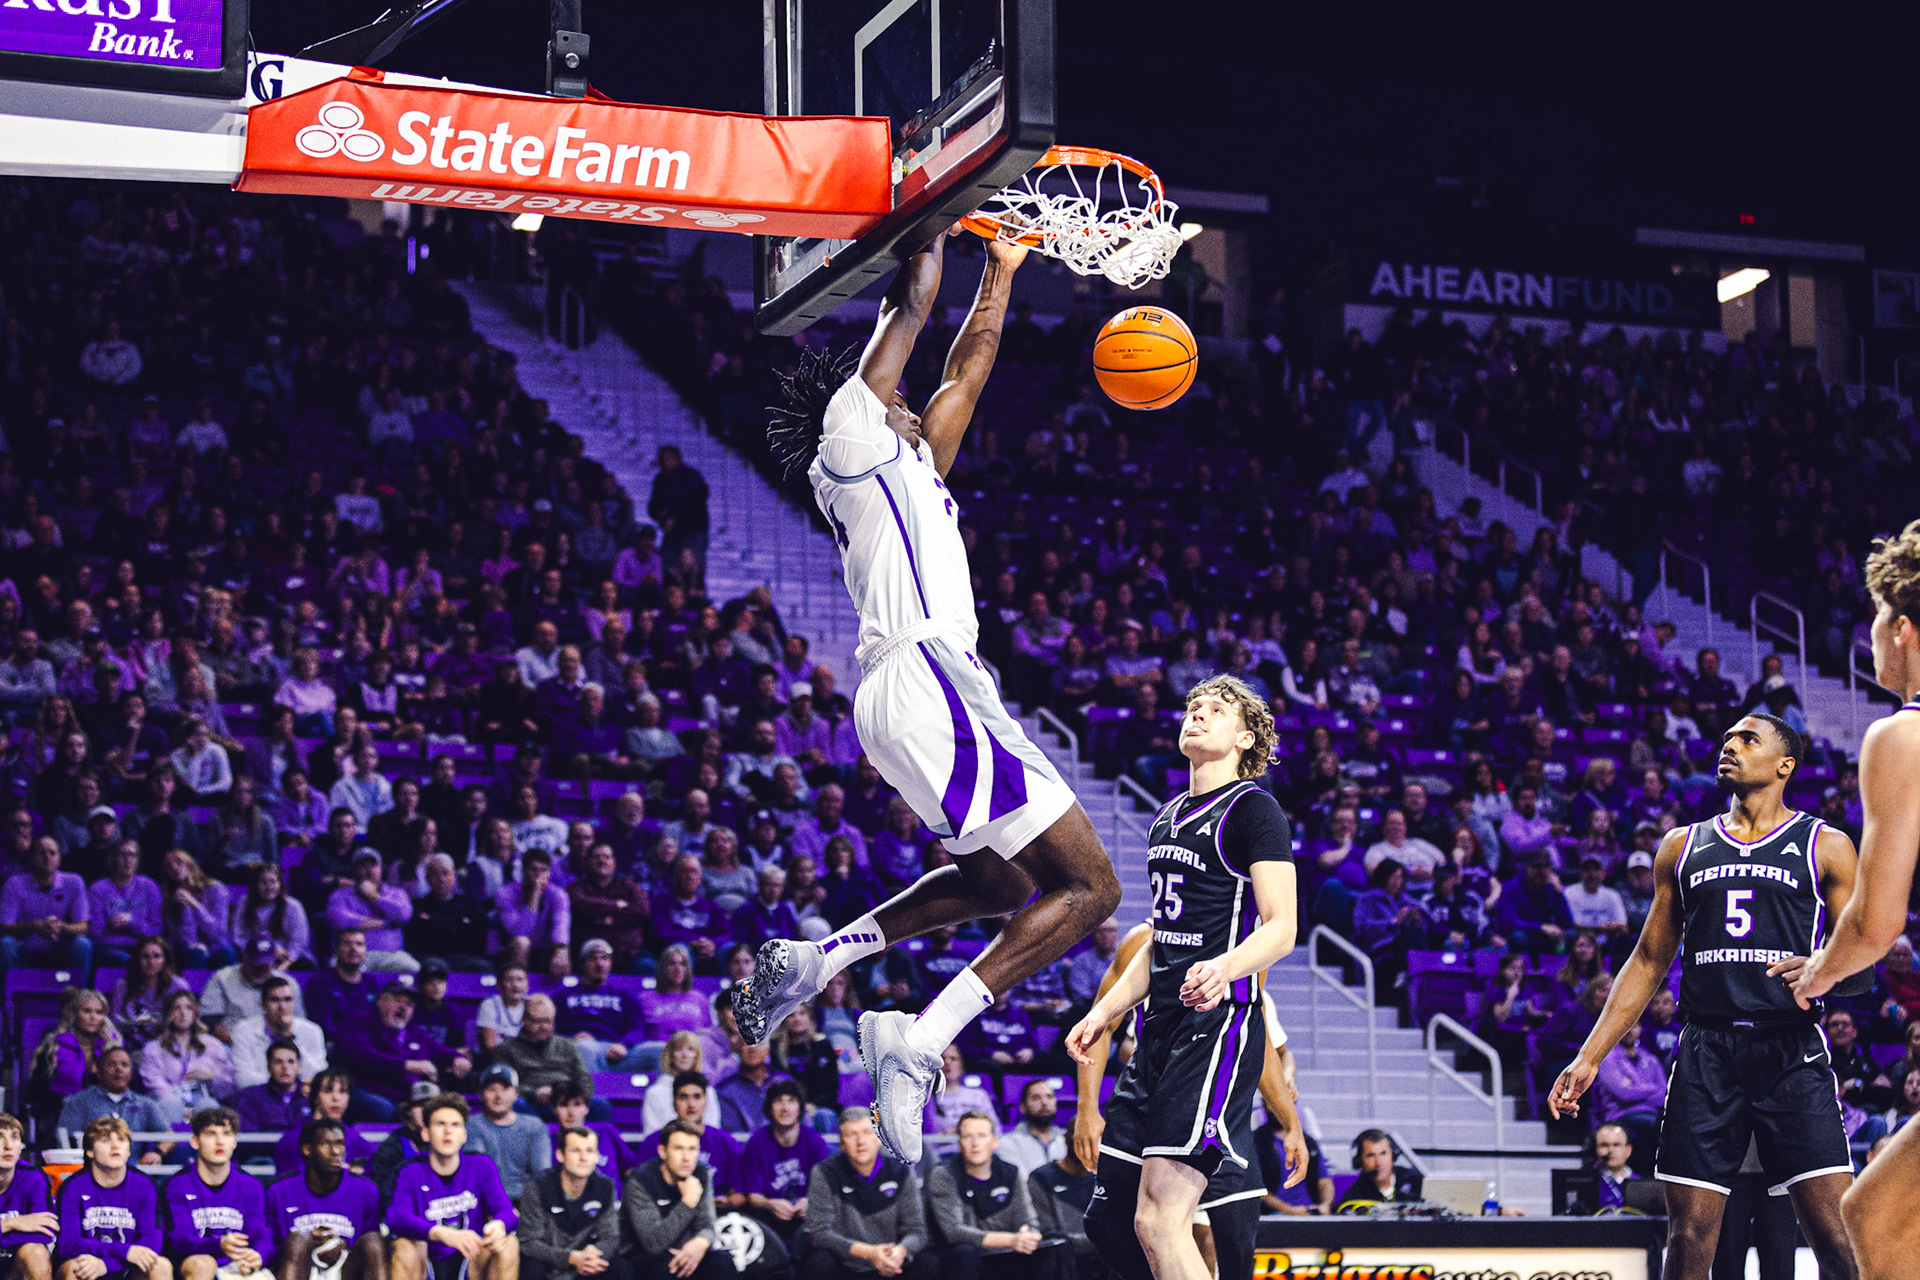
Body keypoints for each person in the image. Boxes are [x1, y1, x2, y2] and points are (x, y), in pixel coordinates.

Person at [743, 230, 1121, 1165]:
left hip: (904, 697)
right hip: (927, 677)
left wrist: (1003, 267)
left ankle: (821, 960)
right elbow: (910, 311)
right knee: (1093, 886)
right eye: (900, 396)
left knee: (999, 881)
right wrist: (936, 209)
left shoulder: (912, 467)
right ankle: (918, 1038)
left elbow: (969, 365)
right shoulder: (853, 441)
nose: (917, 403)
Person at [1551, 713, 1861, 1280]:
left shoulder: (1827, 845)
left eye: (1748, 740)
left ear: (1784, 764)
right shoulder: (1682, 844)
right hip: (1706, 1050)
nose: (1731, 747)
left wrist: (1825, 968)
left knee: (1836, 1236)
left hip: (1790, 1050)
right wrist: (1589, 1055)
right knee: (1689, 1237)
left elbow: (1864, 961)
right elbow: (1647, 960)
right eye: (1726, 740)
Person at [1064, 677, 1297, 1280]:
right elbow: (1157, 946)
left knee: (1162, 1219)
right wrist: (1103, 1013)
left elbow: (1282, 927)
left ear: (1246, 738)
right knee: (1112, 1217)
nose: (1198, 714)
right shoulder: (1168, 817)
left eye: (1216, 710)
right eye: (1193, 706)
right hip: (1158, 1033)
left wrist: (1224, 967)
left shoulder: (1253, 809)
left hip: (1214, 1030)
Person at [1790, 520, 1920, 1280]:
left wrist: (1814, 975)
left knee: (1872, 1216)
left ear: (1902, 626)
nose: (1868, 635)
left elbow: (1875, 925)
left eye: (1874, 617)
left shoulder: (1901, 738)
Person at [389, 1094, 520, 1280]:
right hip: (427, 1261)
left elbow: (507, 1213)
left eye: (455, 1125)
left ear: (464, 1135)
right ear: (426, 1133)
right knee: (404, 1246)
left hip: (471, 1259)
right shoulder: (410, 1170)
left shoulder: (481, 1165)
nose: (448, 1132)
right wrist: (442, 1234)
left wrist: (499, 1225)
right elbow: (397, 1218)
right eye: (440, 1124)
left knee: (509, 1243)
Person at [801, 1110, 932, 1280]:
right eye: (851, 1135)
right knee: (818, 1261)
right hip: (845, 1263)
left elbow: (916, 1230)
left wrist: (899, 1253)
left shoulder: (901, 1171)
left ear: (879, 1138)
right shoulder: (824, 1172)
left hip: (892, 1262)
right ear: (841, 1142)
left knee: (929, 1262)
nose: (860, 1141)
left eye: (866, 1133)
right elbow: (818, 1232)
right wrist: (870, 1253)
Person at [264, 1118, 385, 1280]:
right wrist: (308, 1245)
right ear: (307, 1149)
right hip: (296, 1267)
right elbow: (270, 1247)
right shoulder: (279, 1191)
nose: (336, 1151)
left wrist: (343, 1245)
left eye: (340, 1144)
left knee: (374, 1241)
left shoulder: (365, 1189)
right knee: (298, 1240)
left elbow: (368, 1246)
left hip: (346, 1268)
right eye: (326, 1144)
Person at [926, 1111, 1041, 1280]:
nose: (975, 1144)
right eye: (968, 1137)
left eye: (982, 1136)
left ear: (994, 1142)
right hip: (959, 1258)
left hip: (1006, 1254)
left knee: (1051, 1249)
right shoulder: (943, 1174)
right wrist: (1011, 1240)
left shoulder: (1011, 1173)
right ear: (959, 1142)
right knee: (965, 1253)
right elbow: (954, 1231)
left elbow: (1029, 1221)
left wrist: (1029, 1235)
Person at [336, 981, 469, 1123]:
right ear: (381, 1001)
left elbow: (438, 1050)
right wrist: (406, 1065)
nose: (403, 1008)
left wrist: (457, 1057)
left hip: (404, 1095)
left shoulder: (413, 1032)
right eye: (397, 1001)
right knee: (383, 1109)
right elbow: (361, 1056)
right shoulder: (360, 1022)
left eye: (409, 1004)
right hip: (366, 1089)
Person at [53, 1117, 167, 1280]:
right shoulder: (73, 1187)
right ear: (90, 1151)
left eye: (121, 1140)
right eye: (106, 1140)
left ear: (128, 1150)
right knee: (74, 1267)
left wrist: (107, 1265)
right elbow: (68, 1244)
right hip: (88, 1264)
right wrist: (123, 1251)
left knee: (160, 1265)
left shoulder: (144, 1185)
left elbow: (152, 1242)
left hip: (128, 1267)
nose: (115, 1146)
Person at [162, 1106, 268, 1280]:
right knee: (202, 1264)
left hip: (238, 1264)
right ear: (195, 1141)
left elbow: (261, 1234)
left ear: (234, 1142)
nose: (220, 1142)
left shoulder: (251, 1185)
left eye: (227, 1134)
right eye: (211, 1134)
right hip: (192, 1264)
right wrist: (218, 1245)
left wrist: (258, 1255)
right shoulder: (177, 1185)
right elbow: (178, 1242)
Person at [516, 1126, 626, 1280]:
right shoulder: (537, 1187)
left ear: (596, 1156)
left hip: (585, 1264)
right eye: (576, 1151)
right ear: (560, 1155)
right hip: (547, 1263)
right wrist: (570, 1258)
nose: (583, 1158)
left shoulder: (605, 1187)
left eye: (590, 1151)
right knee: (531, 1267)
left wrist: (592, 1255)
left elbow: (610, 1236)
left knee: (620, 1268)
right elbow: (528, 1242)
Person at [626, 1122, 723, 1280]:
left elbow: (707, 1226)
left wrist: (700, 1243)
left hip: (687, 1252)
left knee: (722, 1263)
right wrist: (687, 1203)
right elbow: (653, 1244)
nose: (686, 1157)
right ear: (663, 1152)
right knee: (663, 1267)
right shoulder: (641, 1180)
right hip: (644, 1257)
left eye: (692, 1149)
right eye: (679, 1149)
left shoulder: (701, 1174)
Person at [737, 1080, 828, 1241]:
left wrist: (810, 1202)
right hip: (770, 1217)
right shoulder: (757, 1142)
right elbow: (753, 1197)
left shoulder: (814, 1141)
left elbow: (827, 1189)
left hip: (808, 1216)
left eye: (791, 1101)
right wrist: (772, 1204)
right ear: (769, 1109)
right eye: (778, 1101)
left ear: (800, 1107)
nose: (785, 1108)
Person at [487, 996, 595, 1119]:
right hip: (530, 1102)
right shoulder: (506, 1049)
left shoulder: (567, 1046)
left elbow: (584, 1078)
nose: (543, 1027)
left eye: (548, 1021)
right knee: (515, 1103)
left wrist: (571, 1096)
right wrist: (534, 1093)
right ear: (524, 1020)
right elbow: (503, 1086)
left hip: (566, 1100)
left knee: (600, 1105)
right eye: (537, 1021)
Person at [0, 836, 92, 978]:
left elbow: (83, 927)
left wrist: (60, 926)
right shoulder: (14, 884)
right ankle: (10, 997)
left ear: (59, 858)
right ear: (31, 858)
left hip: (61, 949)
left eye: (52, 853)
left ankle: (79, 996)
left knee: (82, 944)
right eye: (41, 853)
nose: (47, 857)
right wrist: (34, 927)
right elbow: (4, 927)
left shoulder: (74, 882)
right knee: (6, 944)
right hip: (25, 949)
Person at [640, 1074, 740, 1201]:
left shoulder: (726, 1142)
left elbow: (739, 1194)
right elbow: (642, 1190)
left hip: (717, 1213)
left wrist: (727, 1202)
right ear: (674, 1102)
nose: (691, 1104)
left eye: (697, 1097)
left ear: (706, 1101)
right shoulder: (653, 1143)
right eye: (683, 1097)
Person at [55, 1046, 166, 1159]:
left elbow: (168, 1136)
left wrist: (158, 1153)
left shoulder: (146, 1104)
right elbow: (66, 1139)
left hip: (133, 1168)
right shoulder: (77, 1102)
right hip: (91, 1167)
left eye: (125, 1065)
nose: (119, 1069)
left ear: (131, 1072)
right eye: (112, 1064)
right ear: (99, 1071)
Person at [554, 941, 643, 1076]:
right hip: (579, 1048)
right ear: (582, 963)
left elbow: (637, 1029)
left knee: (658, 1051)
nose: (599, 964)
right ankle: (593, 1096)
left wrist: (624, 1044)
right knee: (584, 1048)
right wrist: (570, 1040)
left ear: (611, 963)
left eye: (604, 958)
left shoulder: (623, 996)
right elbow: (551, 1031)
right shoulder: (563, 996)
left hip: (616, 1049)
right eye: (593, 958)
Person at [469, 1065, 552, 1200]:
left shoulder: (535, 1126)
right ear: (480, 1094)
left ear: (516, 1093)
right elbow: (474, 1175)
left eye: (505, 1089)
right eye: (491, 1089)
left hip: (525, 1202)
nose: (498, 1096)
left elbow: (542, 1175)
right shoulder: (471, 1125)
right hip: (482, 1201)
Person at [228, 978, 327, 1089]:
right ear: (262, 1004)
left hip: (300, 1096)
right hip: (259, 1097)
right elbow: (243, 1079)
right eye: (275, 1000)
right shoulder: (244, 1030)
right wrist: (286, 1083)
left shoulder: (312, 1030)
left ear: (294, 1003)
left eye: (287, 1000)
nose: (282, 1007)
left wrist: (290, 1037)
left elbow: (318, 1076)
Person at [272, 1073, 376, 1178]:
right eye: (328, 1091)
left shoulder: (358, 1143)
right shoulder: (291, 1141)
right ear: (315, 1097)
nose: (336, 1098)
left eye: (343, 1091)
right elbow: (285, 1187)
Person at [201, 938, 301, 1038]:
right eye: (256, 964)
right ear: (245, 958)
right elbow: (209, 1019)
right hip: (232, 1041)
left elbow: (299, 1021)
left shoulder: (288, 983)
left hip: (279, 1042)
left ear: (273, 962)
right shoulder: (222, 978)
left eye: (264, 965)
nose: (260, 970)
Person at [0, 1112, 56, 1280]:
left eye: (15, 1137)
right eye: (0, 1137)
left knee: (36, 1252)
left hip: (14, 1269)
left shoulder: (34, 1177)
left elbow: (44, 1232)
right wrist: (10, 1224)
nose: (8, 1146)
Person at [546, 1085, 636, 1183]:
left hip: (611, 1197)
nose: (571, 1112)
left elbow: (630, 1168)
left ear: (587, 1108)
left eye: (577, 1105)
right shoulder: (547, 1141)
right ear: (554, 1109)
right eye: (564, 1105)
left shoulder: (606, 1131)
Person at [234, 1039, 309, 1154]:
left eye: (291, 1061)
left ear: (299, 1067)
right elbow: (248, 1138)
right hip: (263, 1157)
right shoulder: (251, 1097)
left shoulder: (311, 1097)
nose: (285, 1067)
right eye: (278, 1062)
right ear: (269, 1067)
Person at [999, 1079, 1067, 1180]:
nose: (1044, 1103)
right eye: (1036, 1098)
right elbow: (1019, 1184)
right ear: (1022, 1107)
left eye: (1049, 1097)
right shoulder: (1007, 1143)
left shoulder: (1067, 1139)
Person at [1336, 1131, 1424, 1208]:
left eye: (1383, 1153)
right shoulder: (1353, 1198)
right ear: (1360, 1161)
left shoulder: (1416, 1181)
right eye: (1371, 1155)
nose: (1379, 1162)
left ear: (1392, 1155)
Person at [1592, 1123, 1641, 1211]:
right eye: (1604, 1145)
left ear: (1628, 1150)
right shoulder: (1588, 1182)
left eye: (1616, 1145)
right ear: (1595, 1149)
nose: (1610, 1150)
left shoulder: (1641, 1183)